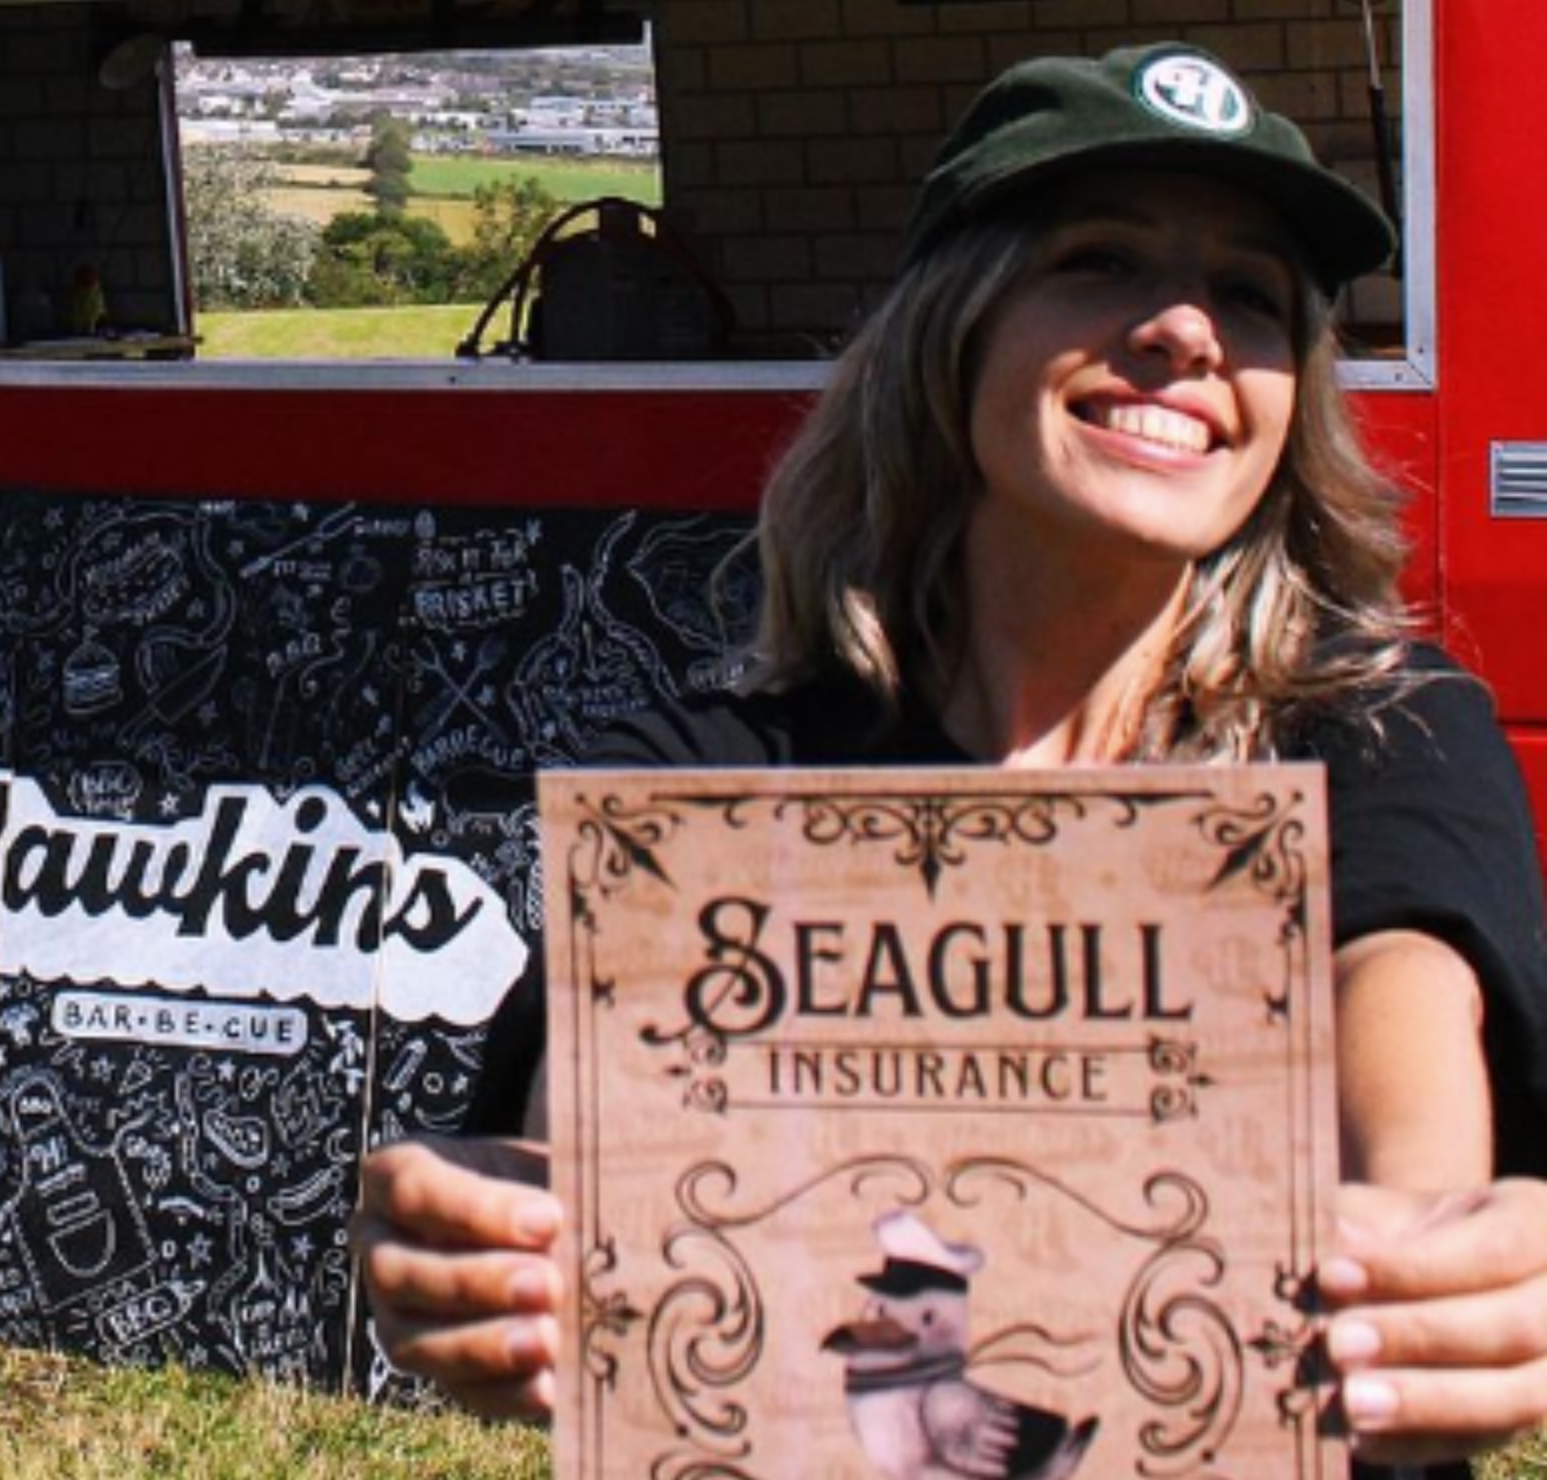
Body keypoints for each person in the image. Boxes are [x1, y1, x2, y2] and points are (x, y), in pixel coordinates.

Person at [352, 43, 1547, 1478]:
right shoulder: (712, 783)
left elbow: (1402, 1017)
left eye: (1250, 295)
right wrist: (503, 1250)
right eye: (1099, 262)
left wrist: (1432, 1259)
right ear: (951, 338)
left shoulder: (1384, 736)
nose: (1183, 327)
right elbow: (592, 1129)